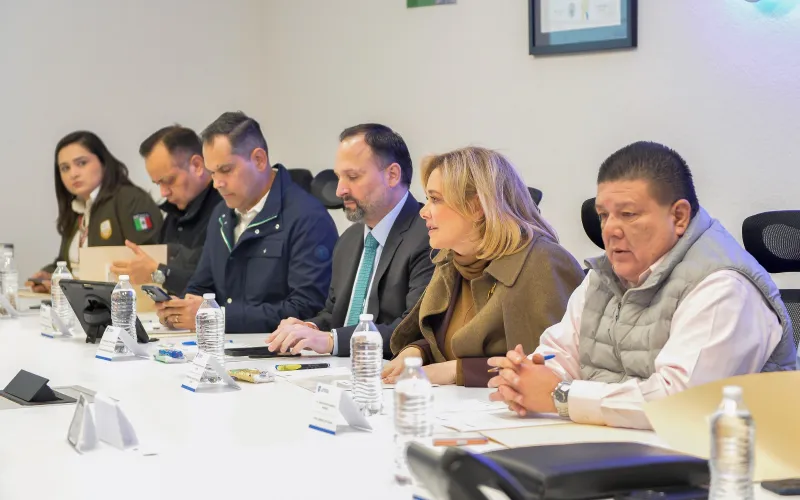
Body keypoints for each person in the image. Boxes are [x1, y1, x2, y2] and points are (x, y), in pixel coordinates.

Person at [488, 141, 797, 429]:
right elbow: (560, 353)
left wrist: (562, 395)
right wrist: (524, 377)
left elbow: (681, 402)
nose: (610, 230)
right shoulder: (602, 276)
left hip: (732, 460)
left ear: (679, 217)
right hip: (624, 447)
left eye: (628, 214)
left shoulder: (724, 286)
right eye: (603, 215)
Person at [382, 147, 585, 387]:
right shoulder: (452, 259)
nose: (423, 212)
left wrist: (457, 371)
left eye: (435, 199)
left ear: (476, 206)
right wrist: (418, 351)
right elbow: (447, 338)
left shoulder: (543, 262)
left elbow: (551, 366)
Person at [155, 111, 338, 333]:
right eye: (213, 173)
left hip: (276, 348)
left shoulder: (308, 218)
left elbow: (307, 308)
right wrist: (180, 309)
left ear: (259, 160)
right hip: (225, 343)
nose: (217, 183)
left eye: (225, 170)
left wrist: (219, 318)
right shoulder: (221, 213)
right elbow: (201, 284)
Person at [265, 124, 434, 358]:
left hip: (389, 372)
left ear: (392, 175)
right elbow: (334, 314)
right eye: (338, 177)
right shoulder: (349, 239)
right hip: (341, 369)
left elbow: (411, 329)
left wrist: (331, 341)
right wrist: (309, 329)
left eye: (353, 177)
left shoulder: (429, 237)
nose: (340, 190)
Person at [27, 131, 162, 292]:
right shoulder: (77, 208)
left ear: (103, 162)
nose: (73, 174)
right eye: (65, 168)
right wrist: (49, 275)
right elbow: (69, 262)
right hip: (81, 301)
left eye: (82, 163)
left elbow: (149, 260)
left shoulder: (131, 199)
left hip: (122, 301)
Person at [110, 126, 222, 296]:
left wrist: (158, 273)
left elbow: (217, 283)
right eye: (158, 184)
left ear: (197, 165)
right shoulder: (173, 215)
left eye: (169, 180)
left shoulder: (226, 210)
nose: (163, 192)